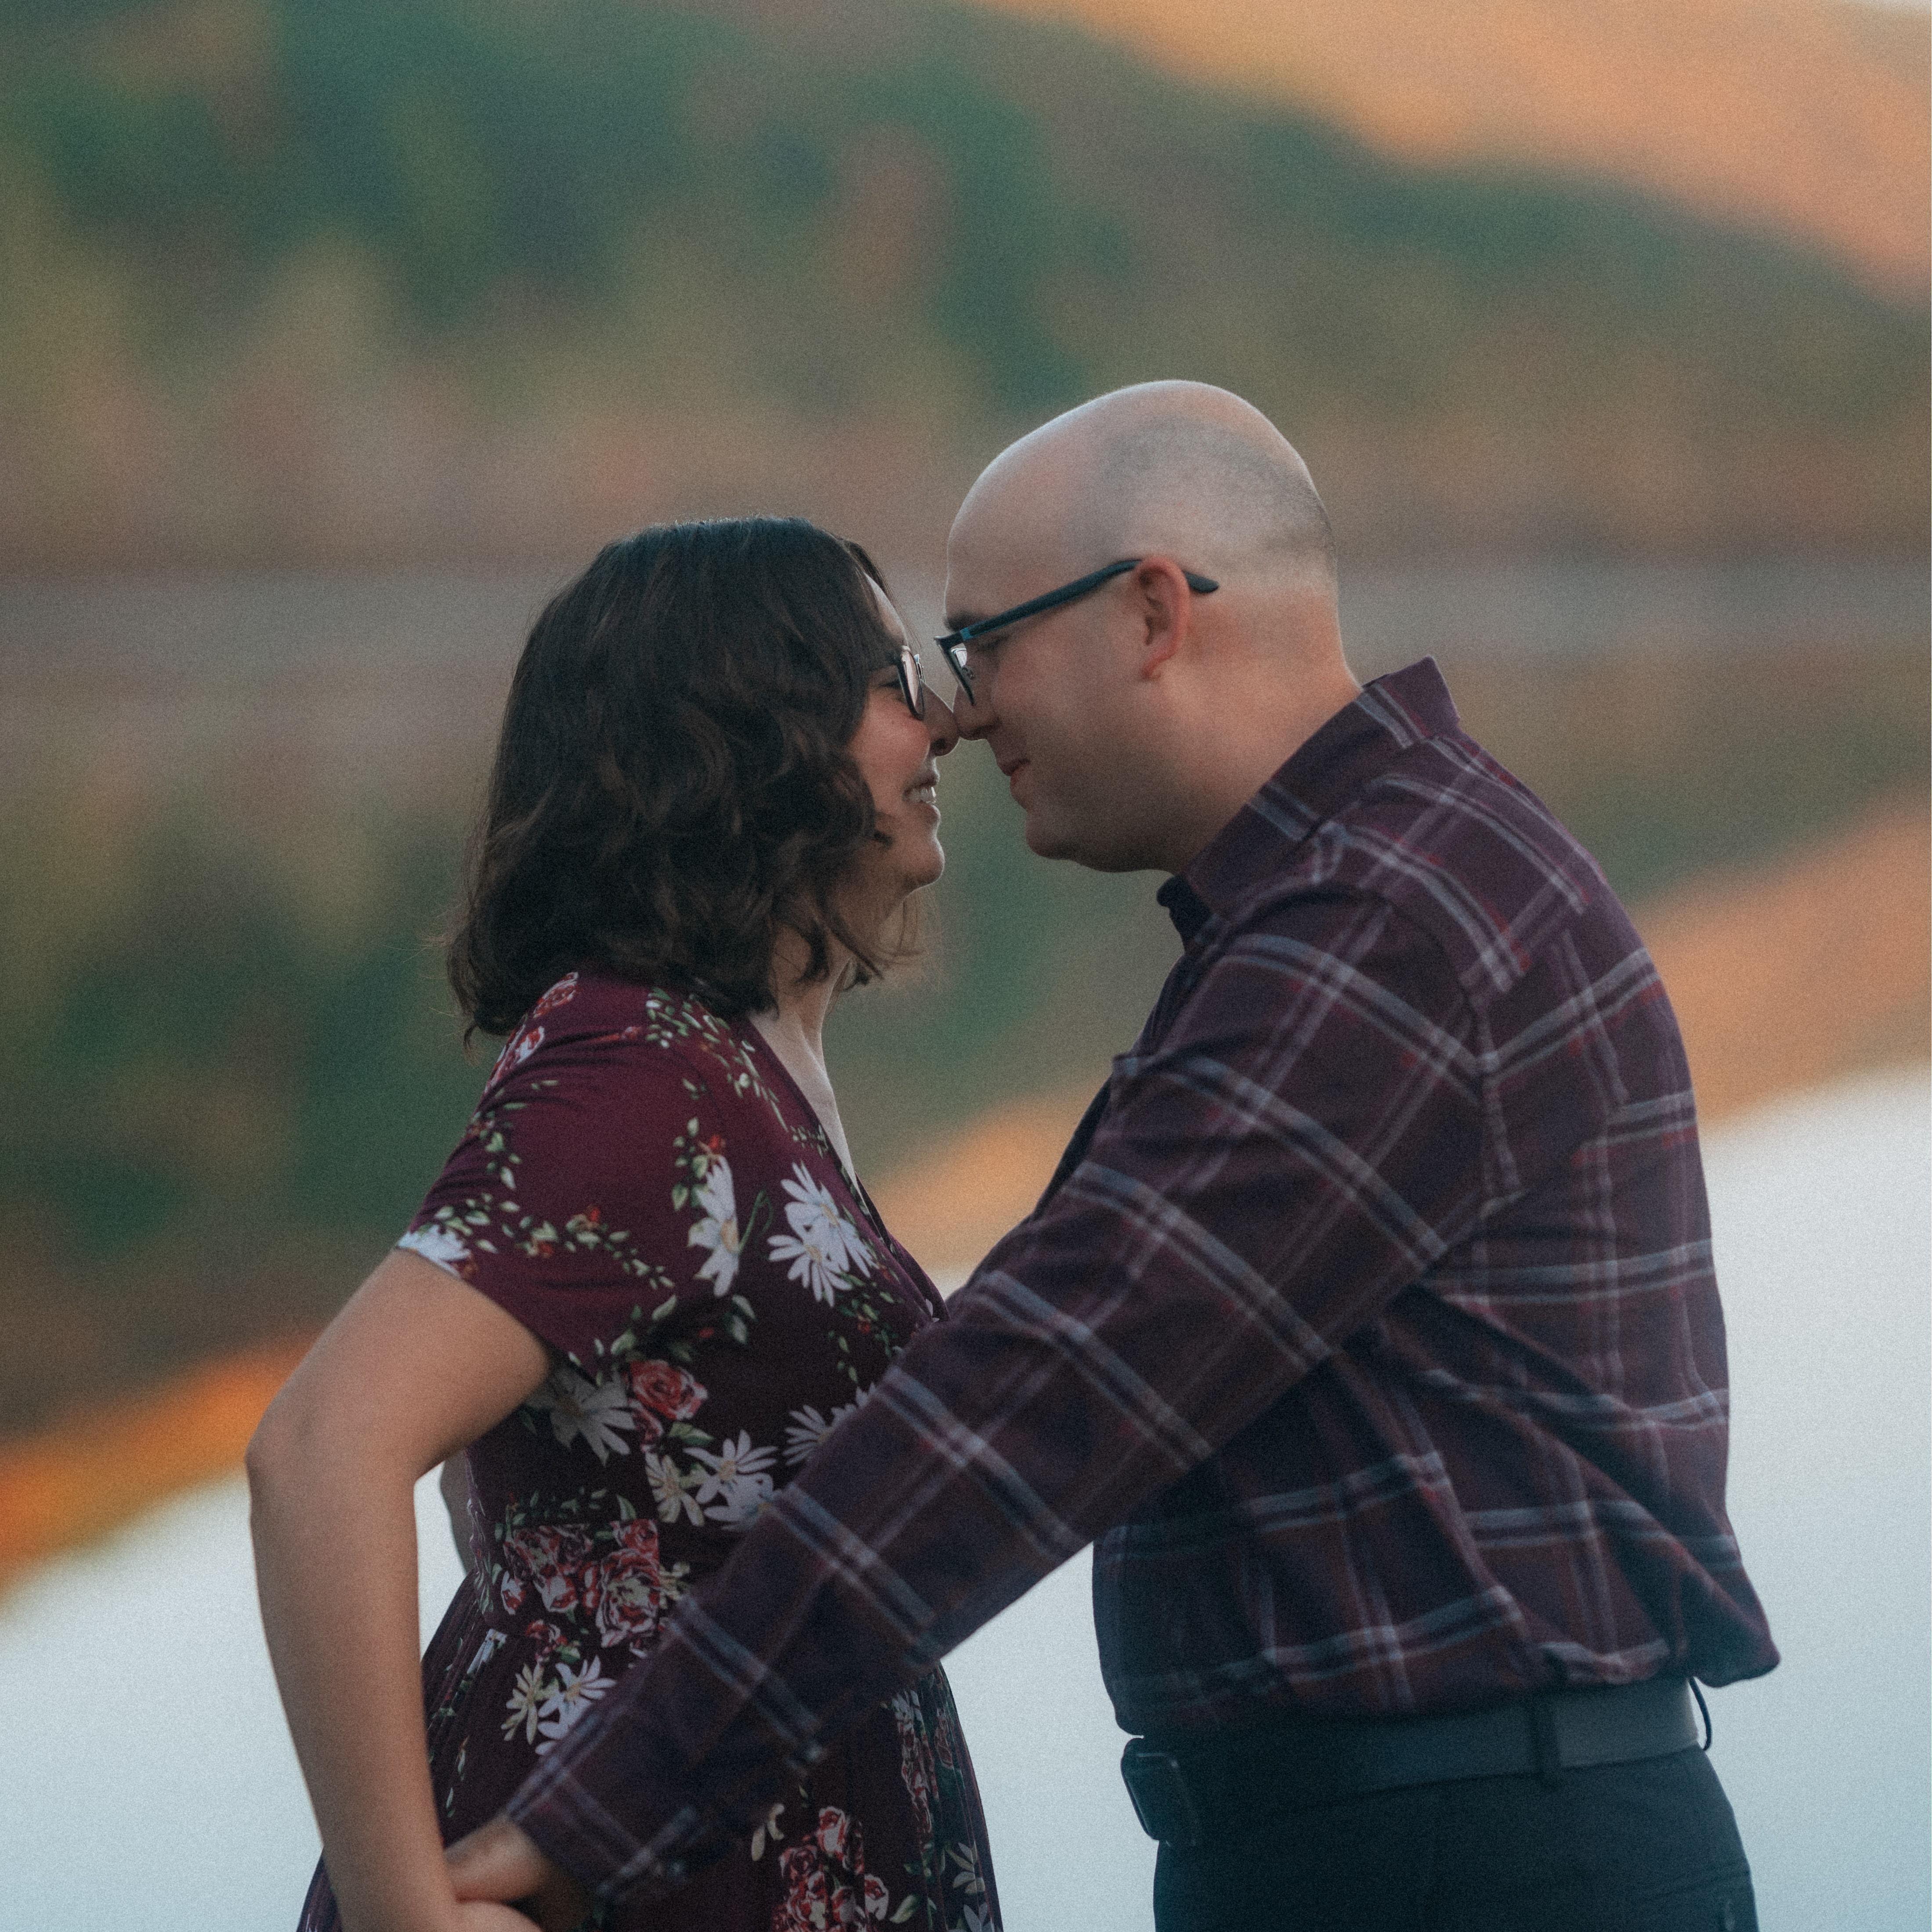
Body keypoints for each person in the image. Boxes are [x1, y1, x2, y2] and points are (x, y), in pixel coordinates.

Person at [446, 383, 1779, 1932]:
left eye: (980, 645)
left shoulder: (1391, 930)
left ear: (1152, 613)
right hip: (1425, 1839)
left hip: (1472, 1861)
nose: (957, 713)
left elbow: (1039, 1393)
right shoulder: (1353, 897)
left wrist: (583, 1830)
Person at [246, 517, 1004, 1932]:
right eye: (895, 680)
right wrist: (406, 1913)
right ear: (753, 734)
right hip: (631, 1869)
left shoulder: (737, 1060)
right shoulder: (646, 1074)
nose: (946, 721)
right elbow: (322, 1450)